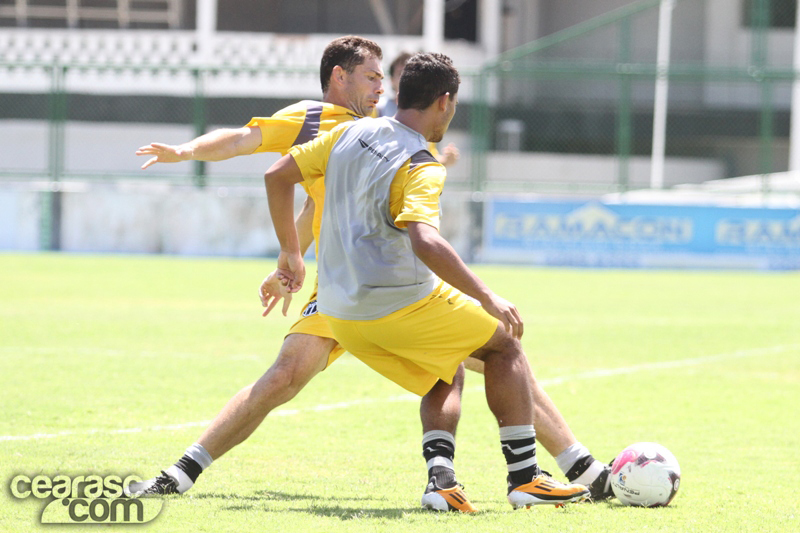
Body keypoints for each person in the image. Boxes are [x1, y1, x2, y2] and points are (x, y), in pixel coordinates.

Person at [127, 36, 612, 511]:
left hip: (343, 291)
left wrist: (290, 257)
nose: (381, 86)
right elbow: (240, 141)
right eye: (372, 76)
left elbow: (323, 205)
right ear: (338, 77)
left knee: (479, 363)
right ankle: (181, 472)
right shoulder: (315, 121)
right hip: (364, 289)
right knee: (292, 377)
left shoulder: (369, 130)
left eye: (387, 78)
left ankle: (578, 470)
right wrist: (189, 153)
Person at [263, 52, 591, 509]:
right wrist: (487, 295)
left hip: (337, 313)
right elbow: (425, 240)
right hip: (398, 303)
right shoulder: (423, 161)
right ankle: (525, 478)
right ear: (444, 101)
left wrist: (289, 251)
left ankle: (441, 483)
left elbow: (276, 175)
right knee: (504, 345)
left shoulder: (349, 132)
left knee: (446, 368)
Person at [378, 51, 459, 167]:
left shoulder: (428, 121)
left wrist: (445, 161)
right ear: (391, 79)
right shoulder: (378, 108)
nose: (405, 78)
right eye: (400, 73)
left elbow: (427, 158)